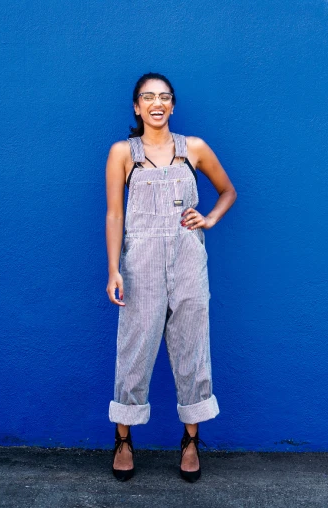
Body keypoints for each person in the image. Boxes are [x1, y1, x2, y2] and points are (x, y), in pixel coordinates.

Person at [104, 72, 237, 482]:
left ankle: (191, 441)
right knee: (134, 348)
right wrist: (113, 269)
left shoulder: (192, 149)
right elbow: (114, 214)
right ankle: (123, 439)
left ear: (173, 105)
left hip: (187, 261)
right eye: (148, 97)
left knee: (192, 348)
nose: (156, 103)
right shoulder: (122, 153)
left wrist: (210, 218)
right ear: (137, 106)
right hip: (139, 262)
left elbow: (228, 190)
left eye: (164, 97)